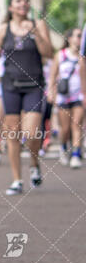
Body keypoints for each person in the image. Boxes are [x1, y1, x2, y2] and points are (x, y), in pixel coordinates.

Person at [0, 0, 53, 195]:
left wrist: (36, 34)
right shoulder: (3, 29)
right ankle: (17, 180)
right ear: (11, 7)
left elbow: (49, 53)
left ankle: (34, 164)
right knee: (12, 135)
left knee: (30, 134)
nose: (24, 3)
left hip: (34, 87)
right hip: (10, 86)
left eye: (26, 0)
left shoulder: (39, 25)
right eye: (19, 0)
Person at [47, 28, 83, 168]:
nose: (80, 39)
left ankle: (76, 154)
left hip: (78, 95)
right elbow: (53, 75)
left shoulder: (82, 56)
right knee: (65, 128)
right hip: (63, 97)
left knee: (77, 125)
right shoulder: (60, 55)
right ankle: (63, 147)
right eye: (78, 36)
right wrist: (51, 92)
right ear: (70, 38)